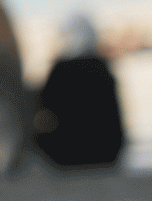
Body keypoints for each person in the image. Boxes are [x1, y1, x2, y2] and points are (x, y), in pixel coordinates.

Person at [33, 12, 127, 171]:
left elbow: (43, 106)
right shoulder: (102, 69)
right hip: (107, 154)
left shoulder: (61, 70)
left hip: (67, 155)